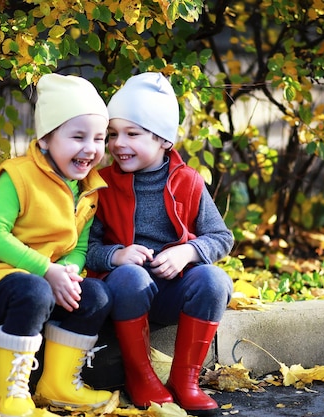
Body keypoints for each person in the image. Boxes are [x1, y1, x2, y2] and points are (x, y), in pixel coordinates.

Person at [0, 74, 114, 417]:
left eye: (99, 138)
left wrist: (69, 270)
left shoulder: (87, 188)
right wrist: (47, 271)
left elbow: (79, 244)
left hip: (43, 282)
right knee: (35, 291)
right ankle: (9, 393)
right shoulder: (17, 177)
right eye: (77, 137)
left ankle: (57, 384)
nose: (90, 147)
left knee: (96, 296)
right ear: (45, 139)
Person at [86, 72, 234, 414]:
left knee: (213, 279)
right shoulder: (101, 185)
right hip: (122, 295)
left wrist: (188, 251)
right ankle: (141, 377)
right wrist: (117, 255)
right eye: (112, 135)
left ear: (164, 139)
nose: (118, 144)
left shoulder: (188, 181)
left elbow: (221, 237)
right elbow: (87, 248)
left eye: (132, 133)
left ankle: (186, 380)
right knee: (130, 276)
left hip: (171, 292)